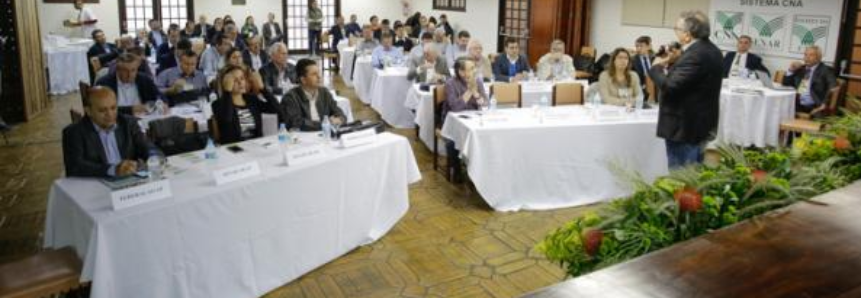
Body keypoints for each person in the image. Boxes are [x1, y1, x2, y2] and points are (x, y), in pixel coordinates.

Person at [649, 11, 723, 168]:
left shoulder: (694, 55)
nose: (675, 32)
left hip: (684, 128)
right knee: (694, 177)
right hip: (700, 125)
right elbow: (690, 82)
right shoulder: (713, 51)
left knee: (681, 179)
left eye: (677, 29)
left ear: (688, 35)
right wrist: (676, 61)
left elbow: (671, 86)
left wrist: (656, 67)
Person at [62, 87, 153, 178]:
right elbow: (74, 167)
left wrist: (153, 159)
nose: (110, 114)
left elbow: (149, 148)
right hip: (96, 185)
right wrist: (113, 170)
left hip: (131, 180)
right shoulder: (74, 132)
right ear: (88, 111)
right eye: (102, 110)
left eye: (113, 108)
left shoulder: (128, 123)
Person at [444, 57, 487, 181]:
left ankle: (478, 168)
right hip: (452, 120)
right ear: (461, 72)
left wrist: (476, 93)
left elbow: (485, 103)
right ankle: (456, 169)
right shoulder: (450, 83)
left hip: (473, 118)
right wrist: (469, 91)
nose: (475, 71)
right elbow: (455, 107)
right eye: (471, 69)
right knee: (452, 141)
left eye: (474, 68)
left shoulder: (477, 81)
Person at [283, 59, 346, 131]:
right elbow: (296, 122)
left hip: (325, 135)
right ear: (303, 80)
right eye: (314, 74)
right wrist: (324, 123)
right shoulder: (290, 97)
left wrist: (339, 119)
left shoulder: (324, 92)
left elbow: (339, 113)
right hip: (303, 138)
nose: (319, 76)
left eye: (319, 73)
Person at [211, 65, 267, 144]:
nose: (240, 82)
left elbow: (277, 110)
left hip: (256, 145)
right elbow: (227, 122)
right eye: (235, 80)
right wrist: (227, 92)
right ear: (226, 83)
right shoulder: (218, 104)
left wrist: (263, 89)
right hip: (235, 148)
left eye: (242, 78)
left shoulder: (251, 99)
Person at [96, 53, 163, 115]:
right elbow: (102, 109)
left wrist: (162, 103)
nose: (130, 74)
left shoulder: (144, 79)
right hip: (118, 121)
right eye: (125, 70)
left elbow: (159, 95)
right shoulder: (104, 83)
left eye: (133, 70)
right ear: (118, 69)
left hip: (145, 117)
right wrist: (131, 109)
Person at [782, 46, 837, 117]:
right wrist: (791, 70)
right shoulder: (801, 69)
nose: (807, 58)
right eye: (805, 55)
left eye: (811, 55)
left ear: (819, 57)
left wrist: (824, 104)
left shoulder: (826, 70)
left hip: (815, 105)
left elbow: (833, 87)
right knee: (780, 109)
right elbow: (786, 85)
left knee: (819, 115)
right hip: (798, 104)